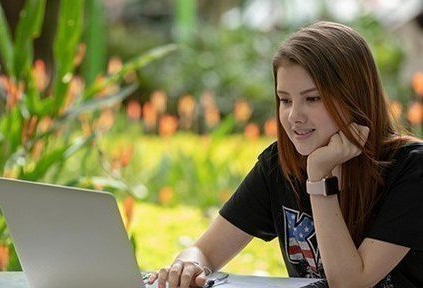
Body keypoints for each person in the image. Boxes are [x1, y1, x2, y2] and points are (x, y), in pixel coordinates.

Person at [147, 21, 423, 288]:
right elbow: (204, 251)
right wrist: (189, 265)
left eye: (312, 98)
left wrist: (319, 178)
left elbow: (349, 284)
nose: (293, 116)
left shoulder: (411, 168)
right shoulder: (279, 165)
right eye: (285, 100)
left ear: (354, 97)